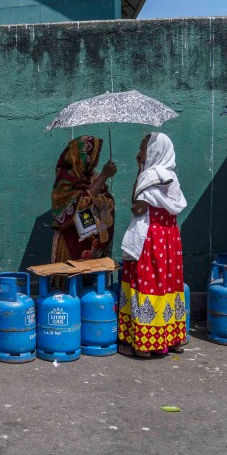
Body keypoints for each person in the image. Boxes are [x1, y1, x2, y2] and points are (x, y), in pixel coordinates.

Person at [118, 133, 187, 359]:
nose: (140, 152)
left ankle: (143, 344)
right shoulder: (171, 176)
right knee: (167, 283)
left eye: (143, 148)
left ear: (155, 152)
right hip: (170, 238)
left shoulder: (150, 175)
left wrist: (140, 172)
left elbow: (136, 208)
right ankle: (171, 339)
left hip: (151, 237)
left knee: (146, 282)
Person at [50, 136, 117, 263]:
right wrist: (103, 176)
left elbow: (105, 198)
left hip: (91, 242)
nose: (96, 161)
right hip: (70, 240)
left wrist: (103, 197)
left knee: (90, 280)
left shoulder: (92, 176)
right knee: (70, 279)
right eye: (93, 157)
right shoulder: (65, 180)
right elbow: (80, 203)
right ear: (81, 158)